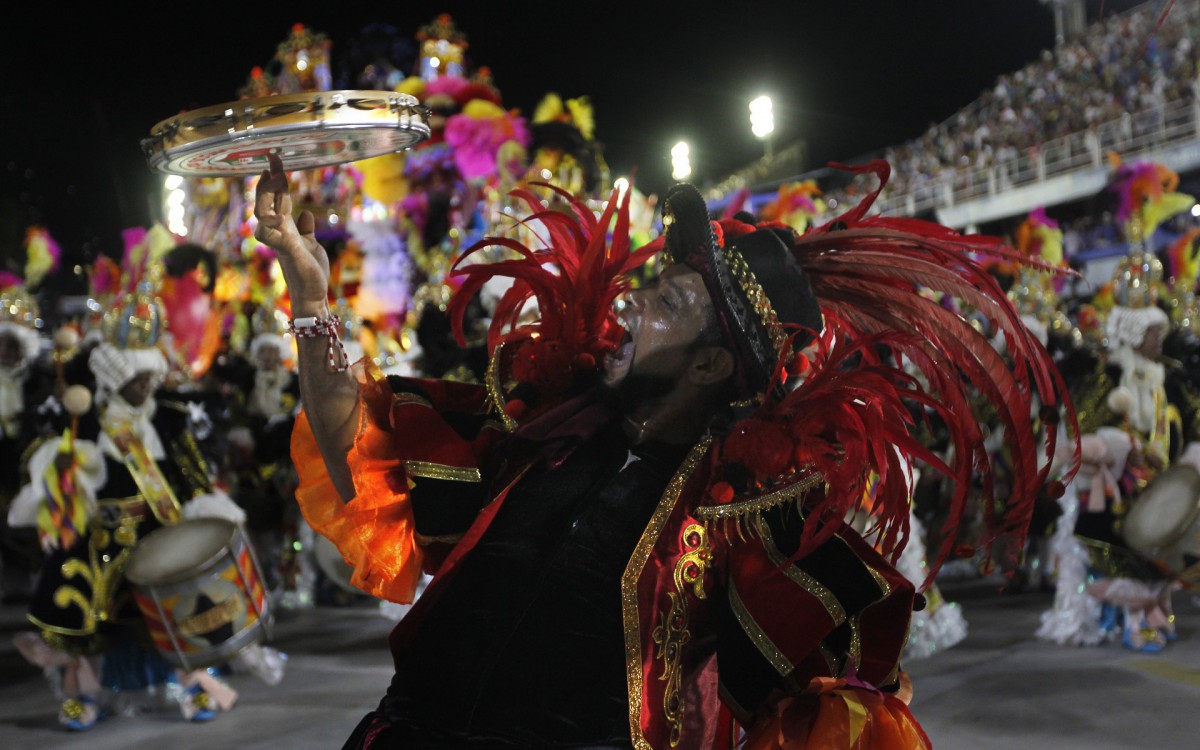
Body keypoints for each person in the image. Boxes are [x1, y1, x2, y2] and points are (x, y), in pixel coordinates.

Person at [256, 153, 1072, 749]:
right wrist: (312, 297)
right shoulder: (536, 427)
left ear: (712, 365)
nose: (634, 297)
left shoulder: (742, 517)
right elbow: (356, 442)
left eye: (671, 298)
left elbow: (842, 708)